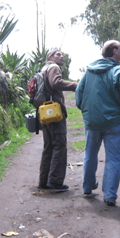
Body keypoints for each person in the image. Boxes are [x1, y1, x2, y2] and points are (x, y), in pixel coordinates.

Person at [75, 40, 120, 206]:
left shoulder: (89, 71)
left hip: (92, 122)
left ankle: (87, 187)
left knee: (90, 153)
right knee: (113, 159)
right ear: (115, 51)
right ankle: (109, 195)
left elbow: (79, 93)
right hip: (113, 122)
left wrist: (85, 110)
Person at [38, 48, 78, 191]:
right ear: (51, 57)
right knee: (59, 145)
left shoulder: (44, 68)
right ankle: (55, 182)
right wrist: (75, 85)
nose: (61, 56)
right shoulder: (54, 67)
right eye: (58, 54)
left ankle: (43, 181)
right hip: (54, 112)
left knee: (48, 146)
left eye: (62, 54)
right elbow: (56, 83)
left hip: (45, 112)